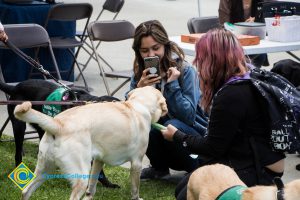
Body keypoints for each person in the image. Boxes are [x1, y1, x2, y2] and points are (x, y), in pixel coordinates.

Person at [160, 28, 285, 199]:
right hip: (262, 161)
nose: (198, 64)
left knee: (185, 193)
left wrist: (177, 136)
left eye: (201, 59)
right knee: (184, 186)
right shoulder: (248, 77)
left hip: (258, 169)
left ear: (212, 60)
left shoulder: (231, 95)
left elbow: (212, 147)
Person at [128, 20, 208, 179]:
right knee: (144, 125)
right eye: (145, 50)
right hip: (164, 142)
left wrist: (173, 86)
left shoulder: (185, 70)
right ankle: (159, 168)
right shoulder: (140, 71)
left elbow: (188, 116)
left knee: (172, 125)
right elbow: (128, 113)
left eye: (156, 48)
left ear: (165, 45)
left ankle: (196, 169)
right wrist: (139, 90)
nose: (151, 55)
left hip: (190, 136)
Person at [218, 0, 269, 68]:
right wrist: (242, 26)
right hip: (234, 41)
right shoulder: (227, 1)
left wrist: (257, 20)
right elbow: (224, 24)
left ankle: (252, 75)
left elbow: (271, 14)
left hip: (257, 41)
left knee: (260, 55)